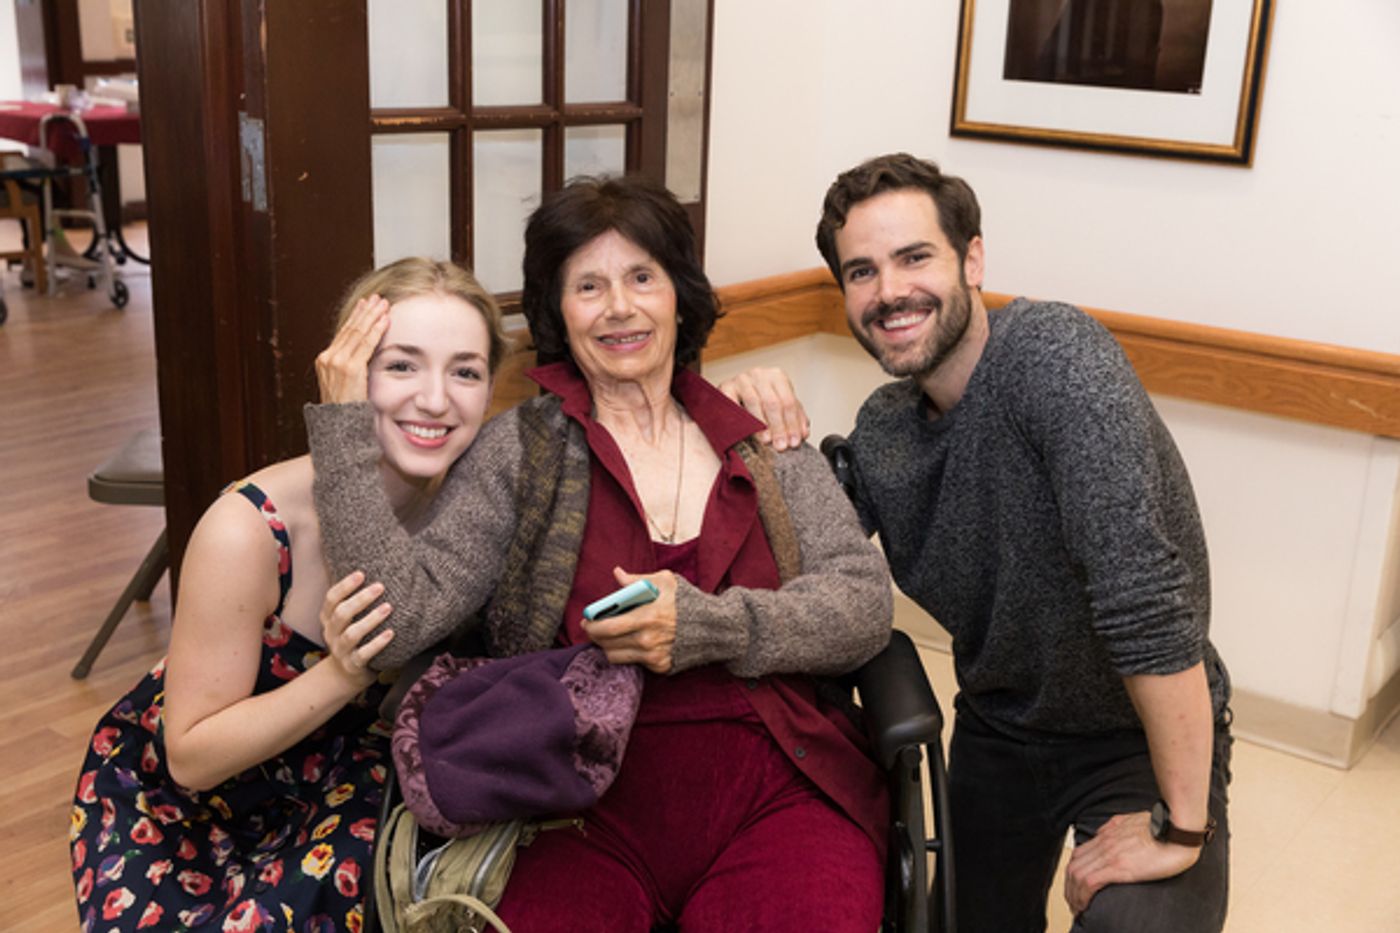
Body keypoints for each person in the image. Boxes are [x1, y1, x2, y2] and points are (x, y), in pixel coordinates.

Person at [306, 175, 894, 932]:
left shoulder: (758, 437)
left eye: (642, 277)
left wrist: (709, 627)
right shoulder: (521, 451)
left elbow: (863, 603)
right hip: (573, 806)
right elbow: (402, 616)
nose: (620, 306)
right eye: (589, 285)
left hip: (780, 790)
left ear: (679, 295)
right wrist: (346, 426)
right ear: (559, 311)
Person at [728, 152, 1234, 932]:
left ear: (972, 259)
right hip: (1002, 731)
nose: (890, 291)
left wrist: (1182, 824)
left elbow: (1144, 599)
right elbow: (804, 556)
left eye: (914, 257)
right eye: (861, 272)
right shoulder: (887, 433)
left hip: (1133, 734)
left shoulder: (1051, 357)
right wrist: (741, 420)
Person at [69, 258, 510, 933]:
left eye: (465, 371)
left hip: (352, 779)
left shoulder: (473, 508)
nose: (435, 399)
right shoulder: (247, 529)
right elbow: (191, 755)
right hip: (193, 806)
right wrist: (341, 672)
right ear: (347, 375)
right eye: (401, 365)